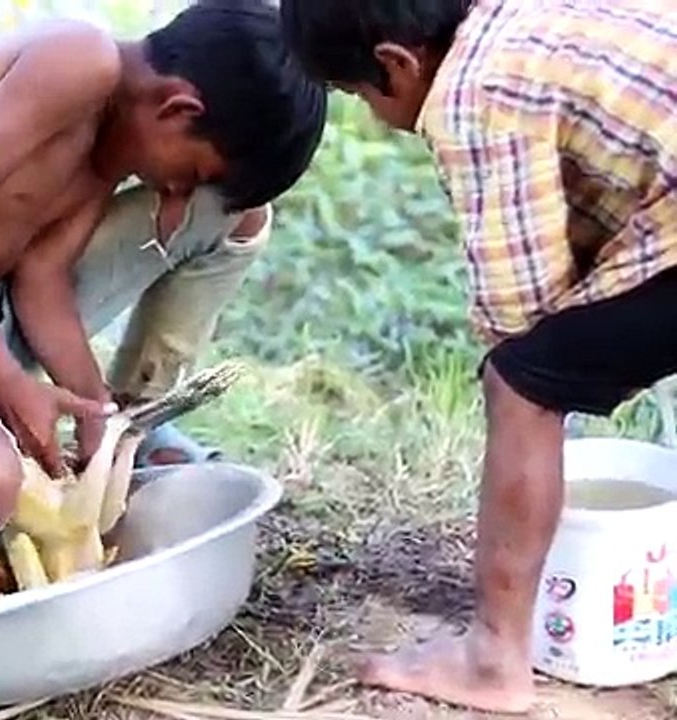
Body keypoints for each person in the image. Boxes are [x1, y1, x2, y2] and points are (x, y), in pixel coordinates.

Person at [279, 0, 677, 714]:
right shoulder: (527, 16)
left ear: (397, 63)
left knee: (520, 383)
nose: (372, 116)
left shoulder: (476, 87)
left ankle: (493, 656)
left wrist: (527, 392)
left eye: (359, 94)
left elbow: (519, 314)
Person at [0, 2, 326, 548]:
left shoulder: (119, 138)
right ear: (178, 108)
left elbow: (42, 277)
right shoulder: (79, 62)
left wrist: (96, 414)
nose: (177, 192)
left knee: (237, 214)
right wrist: (1, 378)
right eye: (193, 173)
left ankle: (136, 424)